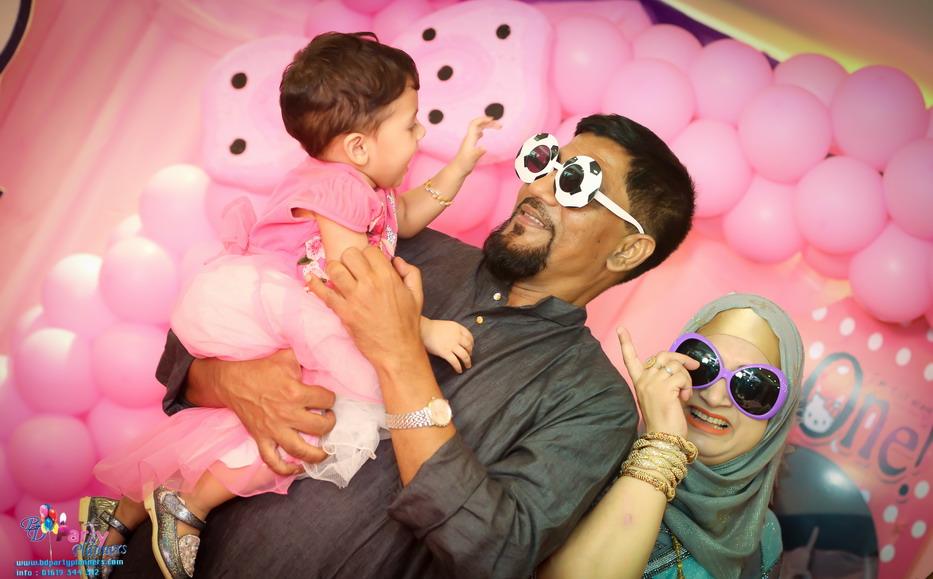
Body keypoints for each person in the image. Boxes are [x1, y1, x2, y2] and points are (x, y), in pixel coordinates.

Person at [110, 113, 696, 578]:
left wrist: (399, 356)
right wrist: (232, 382)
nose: (539, 185)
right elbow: (196, 340)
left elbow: (494, 554)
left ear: (627, 250)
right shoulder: (402, 247)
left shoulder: (595, 404)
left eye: (576, 182)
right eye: (546, 161)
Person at [78, 32, 498, 579]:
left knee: (240, 423)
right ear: (359, 148)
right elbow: (355, 285)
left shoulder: (352, 184)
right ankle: (188, 505)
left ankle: (120, 511)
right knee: (334, 415)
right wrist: (422, 329)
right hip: (276, 306)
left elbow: (406, 219)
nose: (421, 135)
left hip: (267, 307)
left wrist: (461, 165)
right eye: (411, 124)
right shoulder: (342, 190)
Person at [538, 293, 804, 578]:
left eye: (752, 387)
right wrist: (662, 445)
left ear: (778, 418)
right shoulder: (590, 459)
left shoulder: (762, 538)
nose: (714, 397)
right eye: (703, 366)